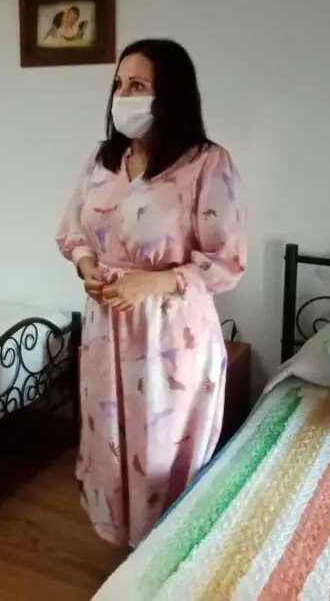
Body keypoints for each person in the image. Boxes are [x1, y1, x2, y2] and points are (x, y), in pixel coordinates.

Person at [56, 38, 247, 548]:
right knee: (110, 439)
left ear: (170, 94)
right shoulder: (103, 160)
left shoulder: (206, 164)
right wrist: (87, 266)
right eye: (119, 85)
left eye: (138, 85)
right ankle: (124, 545)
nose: (124, 96)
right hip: (105, 328)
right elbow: (72, 231)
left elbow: (227, 260)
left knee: (161, 448)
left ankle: (164, 552)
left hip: (169, 334)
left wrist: (153, 281)